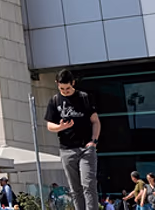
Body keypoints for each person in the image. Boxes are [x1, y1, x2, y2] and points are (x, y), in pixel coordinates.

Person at [44, 70, 100, 210]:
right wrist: (60, 127)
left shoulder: (84, 97)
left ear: (73, 83)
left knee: (88, 184)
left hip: (86, 148)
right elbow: (49, 125)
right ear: (57, 84)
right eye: (62, 88)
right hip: (66, 149)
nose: (65, 91)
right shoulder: (54, 100)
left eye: (68, 88)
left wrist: (93, 141)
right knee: (75, 188)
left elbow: (95, 121)